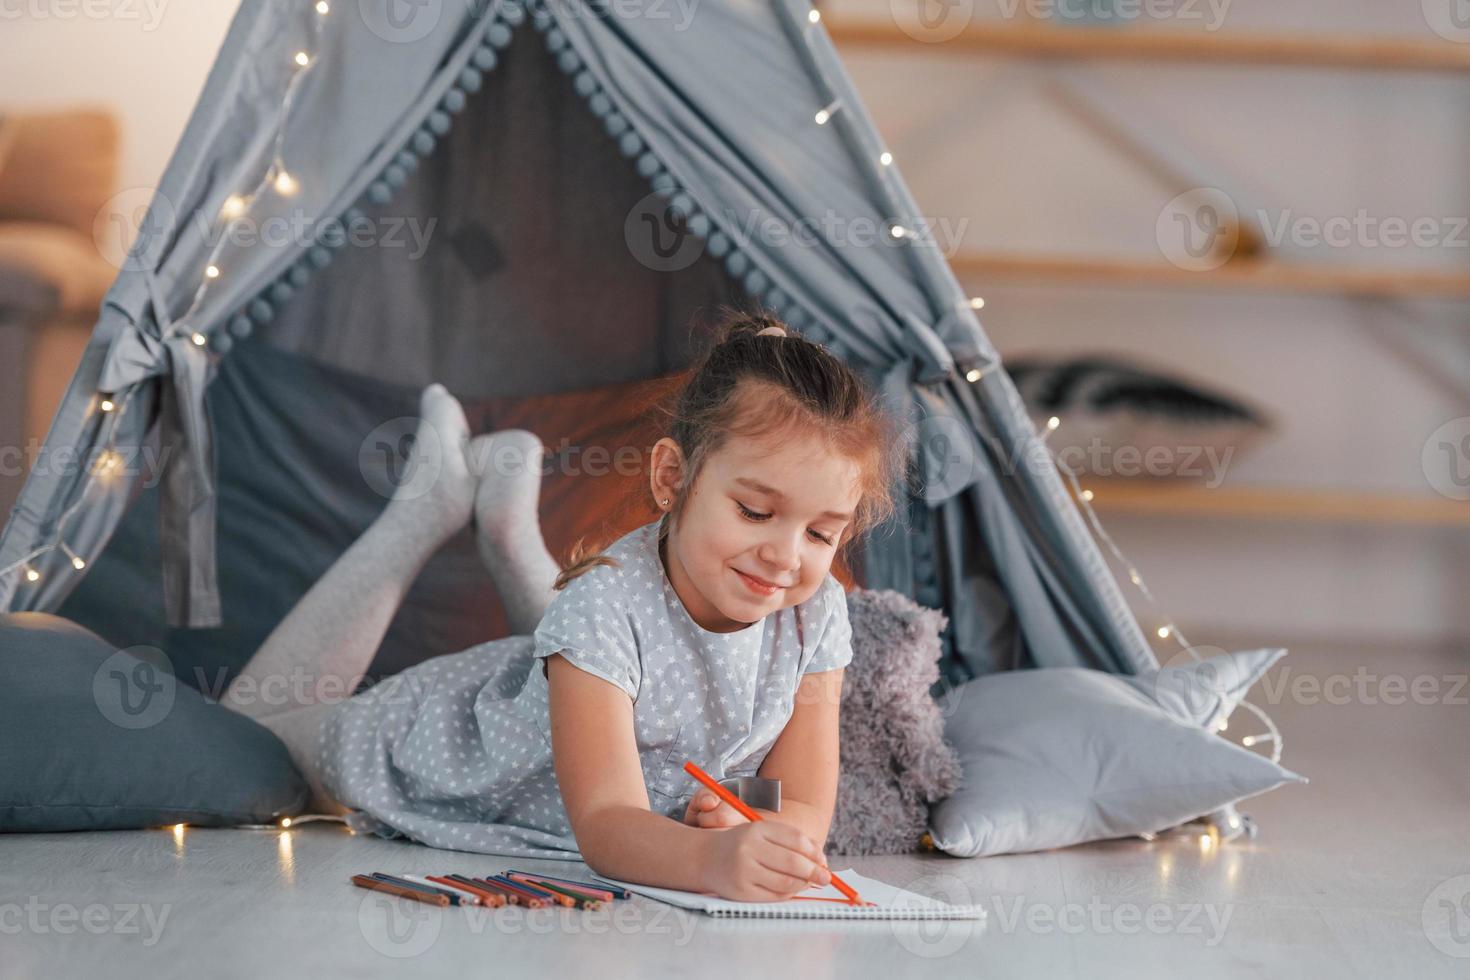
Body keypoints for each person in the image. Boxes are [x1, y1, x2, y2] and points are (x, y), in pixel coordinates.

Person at [220, 311, 901, 902]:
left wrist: (763, 830)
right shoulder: (606, 603)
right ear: (672, 477)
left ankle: (506, 529)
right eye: (756, 511)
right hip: (452, 755)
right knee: (239, 743)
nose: (786, 555)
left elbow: (805, 802)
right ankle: (425, 509)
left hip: (574, 687)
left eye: (821, 532)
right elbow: (606, 821)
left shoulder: (817, 614)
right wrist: (711, 860)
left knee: (580, 635)